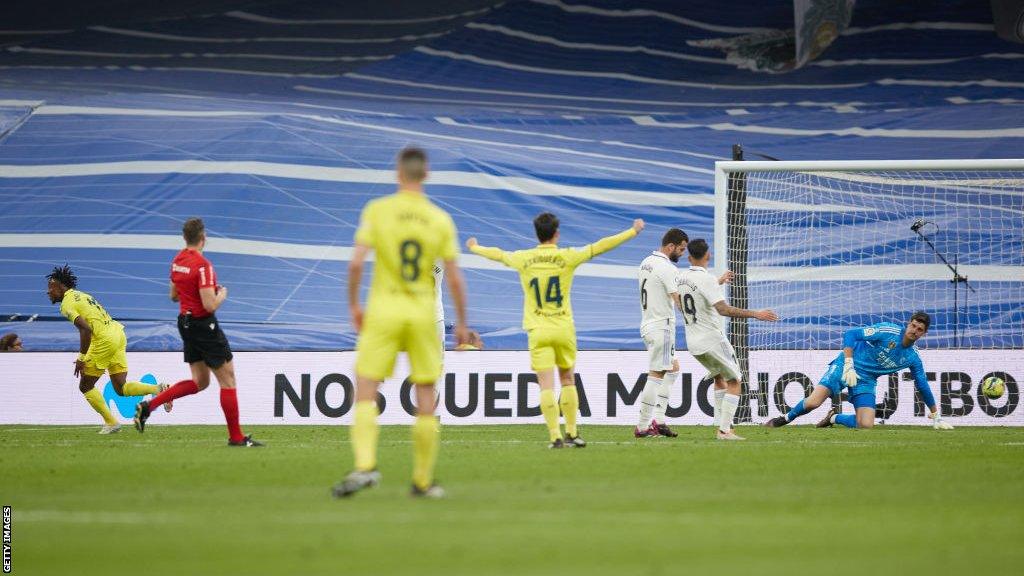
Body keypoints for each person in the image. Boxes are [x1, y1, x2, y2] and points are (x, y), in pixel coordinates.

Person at [333, 147, 469, 499]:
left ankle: (365, 466)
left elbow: (355, 264)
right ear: (426, 175)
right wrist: (463, 323)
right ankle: (422, 481)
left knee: (365, 384)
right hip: (425, 313)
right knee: (425, 391)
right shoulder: (439, 219)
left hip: (384, 309)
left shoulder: (378, 210)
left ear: (398, 173)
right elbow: (454, 279)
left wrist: (353, 306)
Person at [469, 213, 644, 448]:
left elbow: (498, 254)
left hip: (537, 329)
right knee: (568, 379)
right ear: (556, 233)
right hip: (562, 328)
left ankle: (555, 436)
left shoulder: (523, 258)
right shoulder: (567, 256)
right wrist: (632, 231)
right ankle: (572, 432)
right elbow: (600, 246)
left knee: (546, 385)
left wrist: (475, 247)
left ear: (536, 233)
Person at [133, 218, 263, 447]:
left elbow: (174, 296)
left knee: (200, 382)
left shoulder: (178, 261)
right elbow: (210, 304)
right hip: (204, 326)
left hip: (185, 324)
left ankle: (148, 407)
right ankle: (236, 438)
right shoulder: (203, 266)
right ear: (203, 238)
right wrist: (222, 293)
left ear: (185, 238)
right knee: (228, 380)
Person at [763, 312, 953, 430]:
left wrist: (935, 414)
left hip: (866, 380)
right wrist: (848, 363)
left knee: (866, 424)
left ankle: (834, 418)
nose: (914, 330)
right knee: (813, 402)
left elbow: (922, 384)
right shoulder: (887, 331)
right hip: (847, 366)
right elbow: (851, 334)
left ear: (923, 333)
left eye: (919, 329)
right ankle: (785, 419)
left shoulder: (913, 357)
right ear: (908, 323)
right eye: (913, 325)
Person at [46, 265, 169, 434]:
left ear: (60, 286)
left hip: (104, 339)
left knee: (85, 386)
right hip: (117, 332)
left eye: (50, 287)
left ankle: (111, 422)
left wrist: (82, 358)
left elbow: (86, 329)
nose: (48, 292)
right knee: (120, 388)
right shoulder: (82, 295)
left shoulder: (66, 304)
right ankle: (159, 389)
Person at [676, 239, 779, 440]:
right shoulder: (705, 279)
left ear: (689, 257)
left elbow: (688, 299)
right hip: (712, 339)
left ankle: (721, 424)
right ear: (708, 256)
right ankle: (724, 431)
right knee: (735, 380)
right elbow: (723, 309)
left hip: (693, 343)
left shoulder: (681, 277)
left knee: (719, 378)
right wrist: (756, 314)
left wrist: (718, 281)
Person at [634, 228, 689, 438]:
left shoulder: (645, 262)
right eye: (681, 249)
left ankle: (659, 419)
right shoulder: (667, 268)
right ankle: (642, 426)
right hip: (662, 326)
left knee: (673, 369)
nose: (682, 254)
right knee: (656, 373)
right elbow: (679, 301)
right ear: (671, 246)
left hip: (648, 324)